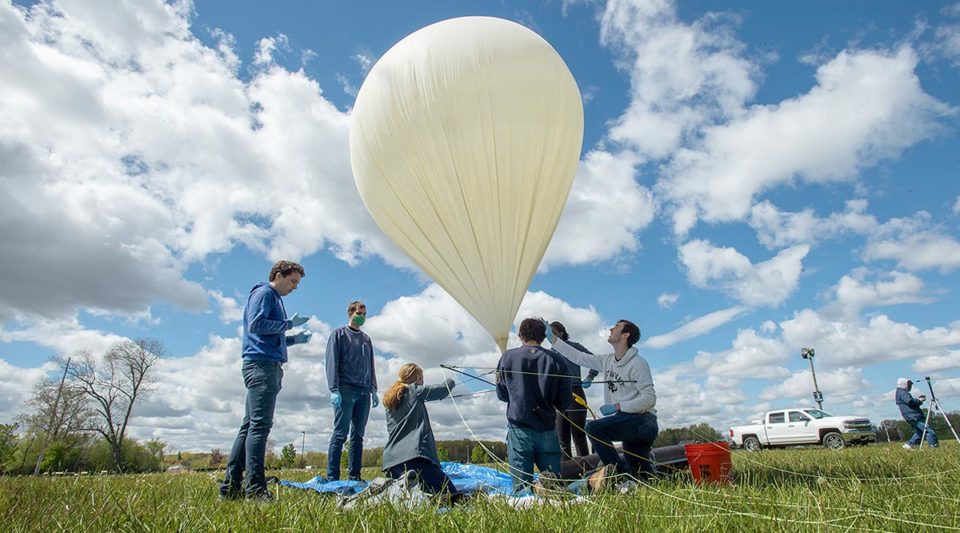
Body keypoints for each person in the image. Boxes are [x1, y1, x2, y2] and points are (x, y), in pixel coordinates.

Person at [220, 260, 311, 501]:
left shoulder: (274, 299)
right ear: (279, 275)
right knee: (259, 428)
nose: (294, 287)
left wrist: (293, 339)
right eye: (293, 281)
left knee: (249, 427)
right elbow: (257, 324)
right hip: (262, 366)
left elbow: (271, 336)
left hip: (264, 362)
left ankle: (230, 489)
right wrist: (289, 324)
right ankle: (255, 490)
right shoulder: (265, 293)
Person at [543, 317, 658, 480]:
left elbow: (649, 399)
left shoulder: (638, 363)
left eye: (617, 327)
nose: (611, 329)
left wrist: (618, 406)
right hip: (626, 420)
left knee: (594, 428)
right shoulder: (607, 360)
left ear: (626, 335)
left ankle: (619, 475)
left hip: (643, 421)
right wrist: (554, 340)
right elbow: (579, 357)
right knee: (641, 475)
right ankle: (634, 478)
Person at [496, 318, 572, 492]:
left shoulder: (507, 357)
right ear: (543, 337)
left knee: (522, 490)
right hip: (547, 429)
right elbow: (564, 401)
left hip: (519, 429)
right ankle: (589, 483)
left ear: (520, 335)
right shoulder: (557, 360)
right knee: (555, 487)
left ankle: (533, 495)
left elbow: (501, 394)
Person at [381, 363, 458, 495]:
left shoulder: (390, 400)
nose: (423, 381)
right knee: (450, 493)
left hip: (392, 464)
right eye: (421, 378)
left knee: (415, 495)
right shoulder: (414, 390)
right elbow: (442, 390)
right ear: (416, 379)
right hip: (415, 460)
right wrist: (451, 380)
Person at [325, 300, 378, 481]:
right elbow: (332, 361)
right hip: (345, 389)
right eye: (359, 313)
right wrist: (334, 388)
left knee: (358, 435)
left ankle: (354, 475)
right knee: (340, 434)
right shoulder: (338, 334)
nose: (362, 317)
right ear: (350, 313)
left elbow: (371, 364)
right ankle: (333, 477)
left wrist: (373, 388)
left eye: (364, 314)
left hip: (364, 391)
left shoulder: (366, 340)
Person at [549, 321, 599, 459]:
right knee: (562, 438)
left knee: (578, 434)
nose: (550, 336)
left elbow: (595, 361)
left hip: (574, 393)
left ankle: (586, 468)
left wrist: (590, 377)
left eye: (553, 333)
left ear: (561, 332)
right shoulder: (550, 352)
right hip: (557, 396)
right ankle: (567, 472)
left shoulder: (575, 347)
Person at [896, 377, 938, 449]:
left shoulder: (902, 392)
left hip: (912, 416)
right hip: (913, 416)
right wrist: (919, 400)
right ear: (903, 384)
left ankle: (909, 445)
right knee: (929, 431)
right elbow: (910, 402)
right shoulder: (902, 392)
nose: (910, 386)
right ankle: (933, 447)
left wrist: (918, 400)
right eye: (908, 384)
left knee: (920, 432)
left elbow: (910, 401)